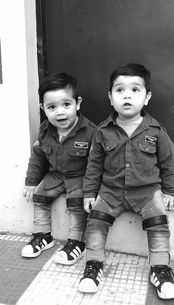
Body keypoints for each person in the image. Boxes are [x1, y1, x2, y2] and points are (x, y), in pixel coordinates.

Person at [78, 63, 174, 299]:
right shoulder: (102, 132)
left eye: (135, 90)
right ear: (110, 97)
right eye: (120, 90)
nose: (127, 95)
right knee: (95, 221)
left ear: (147, 97)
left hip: (147, 192)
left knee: (158, 223)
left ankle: (161, 269)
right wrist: (89, 193)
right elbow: (93, 165)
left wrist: (170, 192)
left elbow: (168, 162)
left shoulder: (156, 132)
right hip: (110, 191)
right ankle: (93, 265)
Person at [22, 72, 96, 266]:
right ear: (43, 108)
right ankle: (43, 236)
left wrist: (91, 190)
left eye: (66, 105)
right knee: (39, 195)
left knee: (76, 203)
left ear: (77, 103)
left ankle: (76, 242)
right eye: (52, 107)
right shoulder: (45, 130)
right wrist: (30, 182)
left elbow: (96, 165)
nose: (60, 112)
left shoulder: (90, 132)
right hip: (55, 176)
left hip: (80, 178)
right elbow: (37, 157)